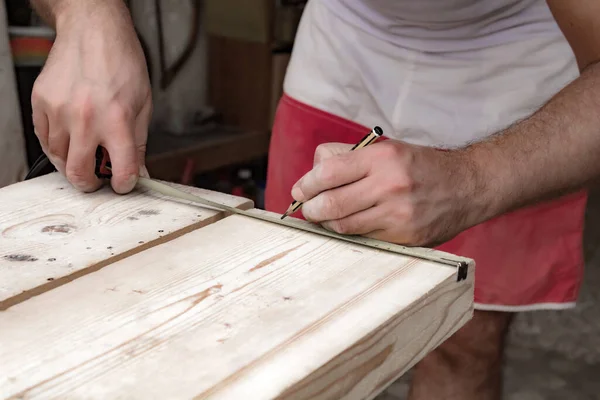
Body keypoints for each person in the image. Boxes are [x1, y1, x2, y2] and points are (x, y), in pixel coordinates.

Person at [26, 0, 600, 399]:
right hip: (347, 41)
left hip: (512, 60)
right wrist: (88, 16)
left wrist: (474, 179)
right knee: (289, 309)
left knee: (460, 337)